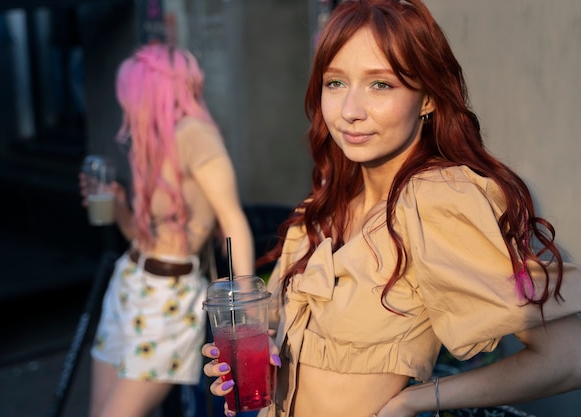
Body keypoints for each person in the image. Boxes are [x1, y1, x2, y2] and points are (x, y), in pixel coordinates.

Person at [201, 1, 581, 416]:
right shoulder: (324, 207)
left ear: (428, 99)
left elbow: (568, 356)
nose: (350, 111)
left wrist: (415, 400)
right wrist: (258, 361)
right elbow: (281, 342)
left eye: (380, 84)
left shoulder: (433, 201)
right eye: (335, 83)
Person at [80, 42, 255, 417]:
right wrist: (121, 206)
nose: (125, 104)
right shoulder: (154, 143)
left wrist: (245, 308)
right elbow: (146, 238)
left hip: (169, 300)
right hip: (131, 282)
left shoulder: (194, 133)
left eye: (129, 94)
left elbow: (232, 220)